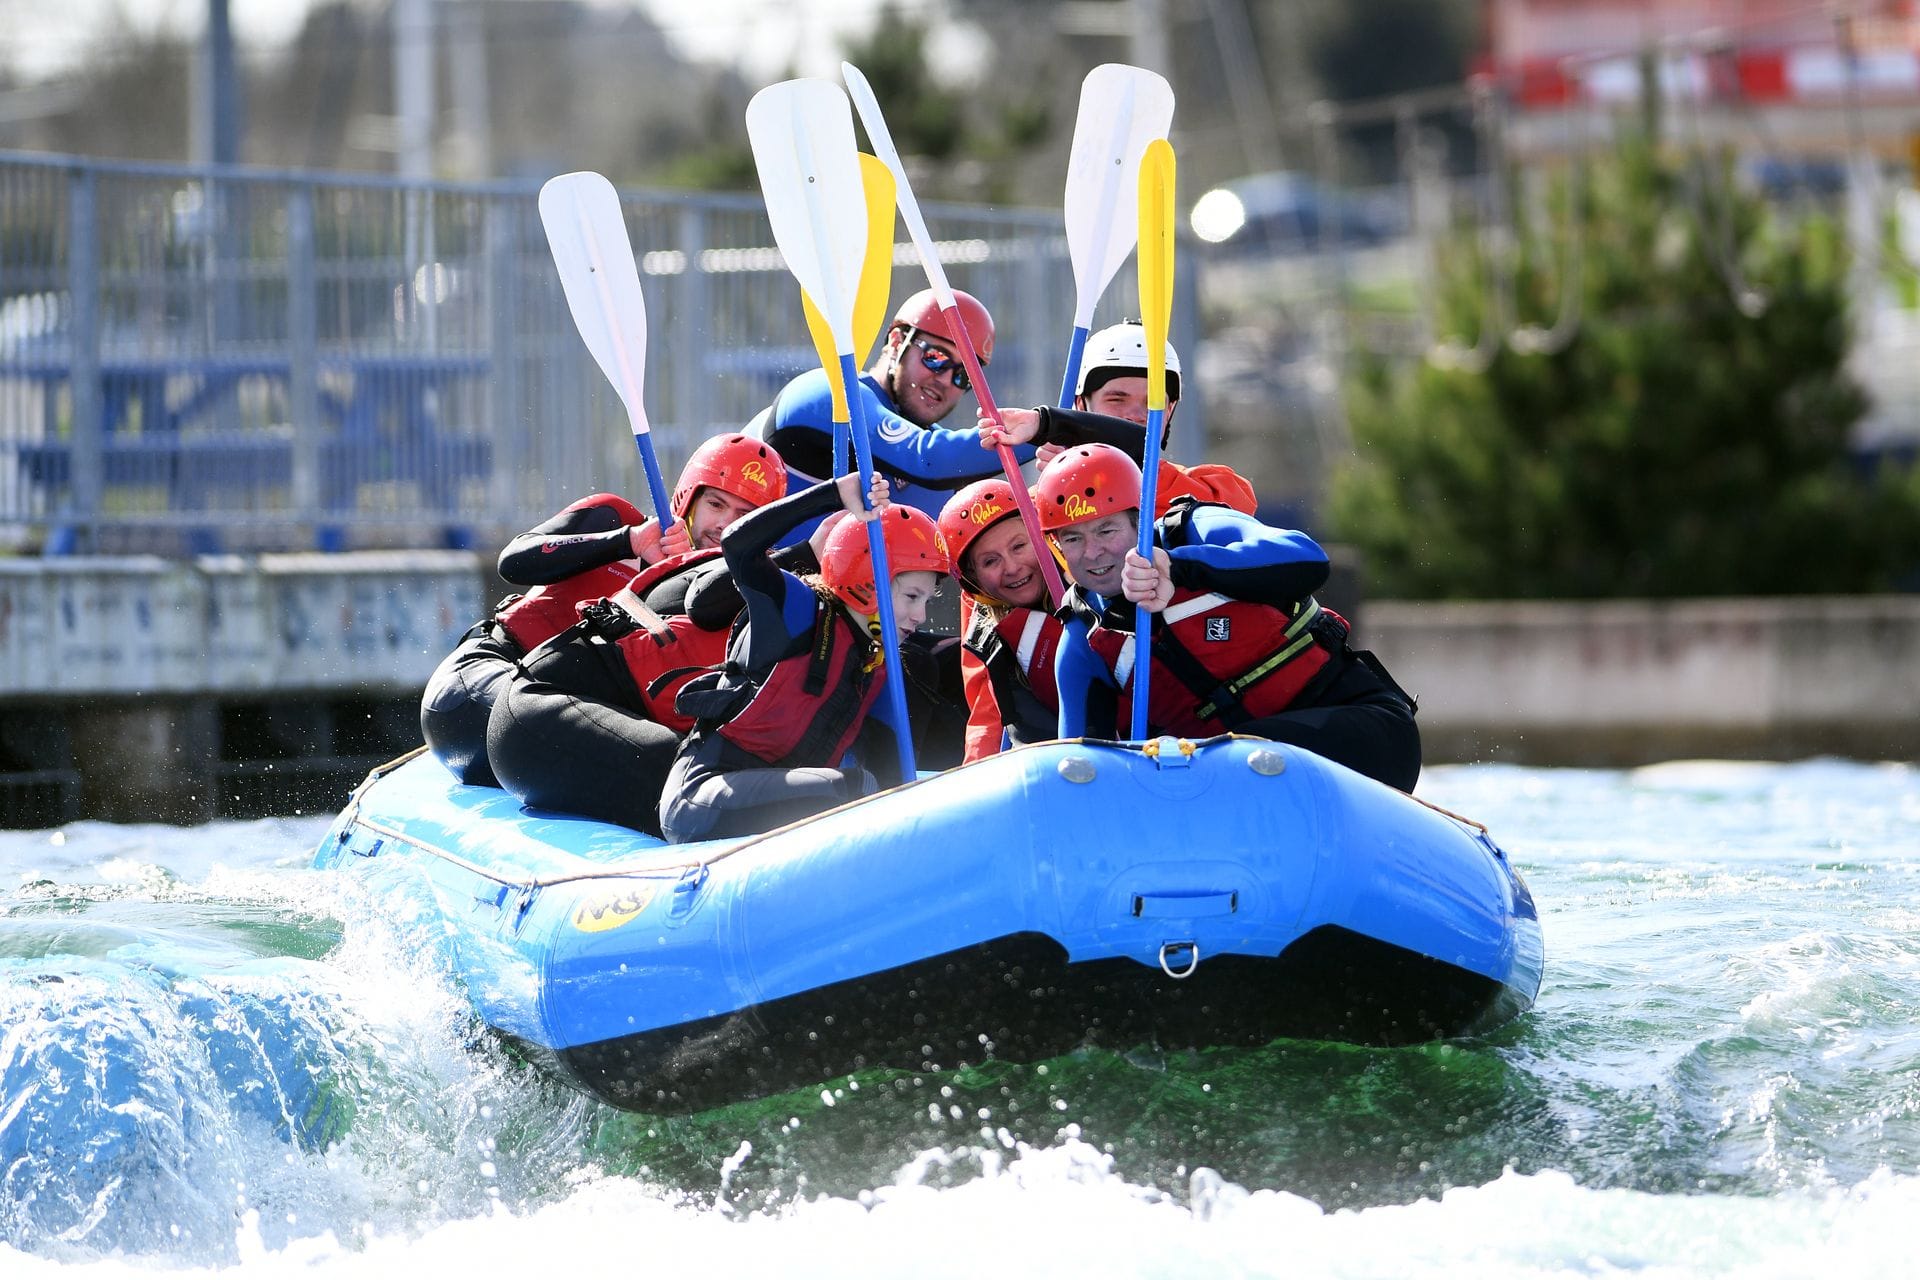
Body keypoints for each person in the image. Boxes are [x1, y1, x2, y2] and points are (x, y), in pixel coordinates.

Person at [1037, 443, 1421, 793]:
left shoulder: (1195, 529)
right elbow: (1079, 774)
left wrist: (1181, 569)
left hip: (1362, 735)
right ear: (1057, 547)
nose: (1093, 553)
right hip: (1230, 777)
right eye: (1073, 539)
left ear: (1140, 523)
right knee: (1187, 768)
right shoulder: (1082, 636)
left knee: (1221, 761)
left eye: (1107, 529)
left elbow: (1309, 560)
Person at [421, 433, 784, 791]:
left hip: (576, 709)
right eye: (716, 505)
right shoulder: (614, 517)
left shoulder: (739, 598)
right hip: (488, 679)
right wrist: (628, 541)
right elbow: (514, 561)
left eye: (744, 515)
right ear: (687, 498)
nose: (723, 525)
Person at [658, 473, 949, 844]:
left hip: (782, 805)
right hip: (702, 800)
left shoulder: (875, 665)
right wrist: (833, 494)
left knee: (886, 794)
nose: (920, 617)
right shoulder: (796, 610)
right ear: (868, 580)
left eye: (926, 600)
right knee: (855, 788)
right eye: (911, 597)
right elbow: (738, 546)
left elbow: (892, 780)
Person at [748, 288, 1035, 544]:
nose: (946, 379)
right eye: (936, 358)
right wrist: (1043, 428)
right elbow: (927, 459)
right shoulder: (830, 392)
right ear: (897, 342)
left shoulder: (949, 470)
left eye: (965, 375)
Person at [977, 321, 1258, 516]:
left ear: (1169, 412)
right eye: (1116, 399)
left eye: (1153, 404)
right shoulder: (1032, 507)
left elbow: (1238, 508)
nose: (1136, 416)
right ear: (1081, 406)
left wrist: (1053, 427)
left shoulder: (1216, 489)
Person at [937, 478, 1066, 762]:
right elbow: (986, 722)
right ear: (975, 580)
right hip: (1050, 771)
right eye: (990, 561)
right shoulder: (989, 633)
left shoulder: (1089, 579)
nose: (1011, 568)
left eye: (1019, 546)